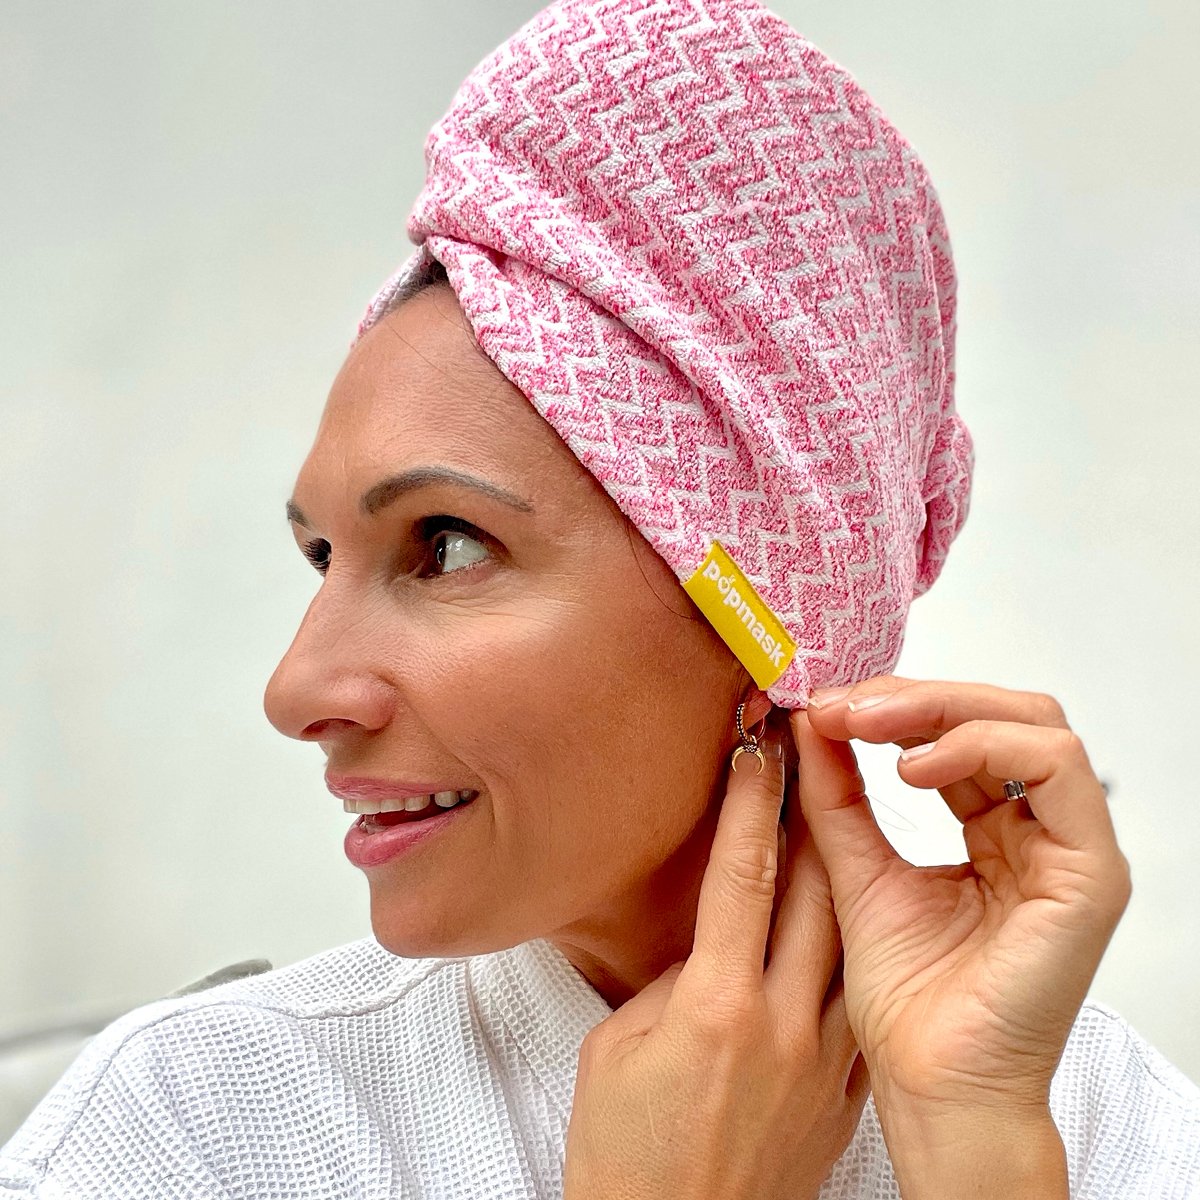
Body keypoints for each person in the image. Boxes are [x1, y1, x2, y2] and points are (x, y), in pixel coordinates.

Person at [3, 0, 1198, 1196]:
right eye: (323, 557)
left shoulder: (1093, 1127)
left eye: (446, 547)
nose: (295, 689)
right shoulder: (194, 1129)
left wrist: (979, 1145)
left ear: (759, 623)